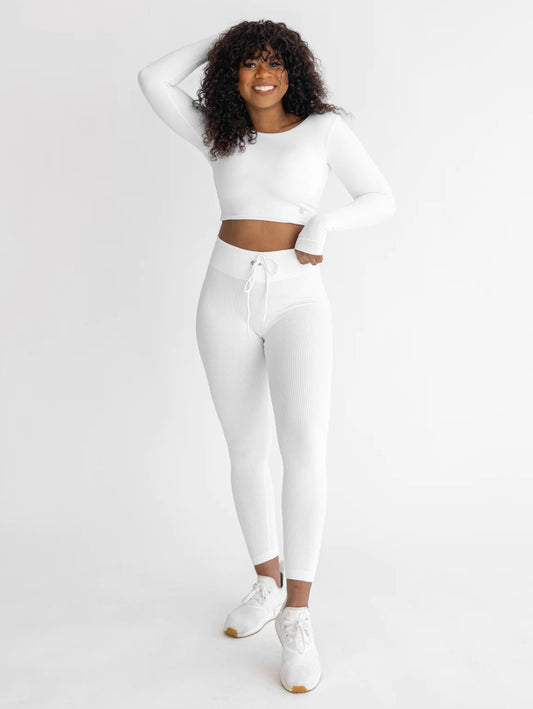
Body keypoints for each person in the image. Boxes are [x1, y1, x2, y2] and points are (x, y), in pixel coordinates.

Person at [137, 19, 395, 693]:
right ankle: (265, 581)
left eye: (274, 60)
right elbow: (152, 79)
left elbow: (381, 197)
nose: (262, 73)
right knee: (245, 448)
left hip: (297, 298)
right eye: (248, 61)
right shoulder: (218, 132)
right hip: (223, 294)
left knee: (303, 449)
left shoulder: (323, 129)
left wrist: (324, 222)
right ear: (232, 71)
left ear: (293, 70)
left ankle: (297, 616)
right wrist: (224, 39)